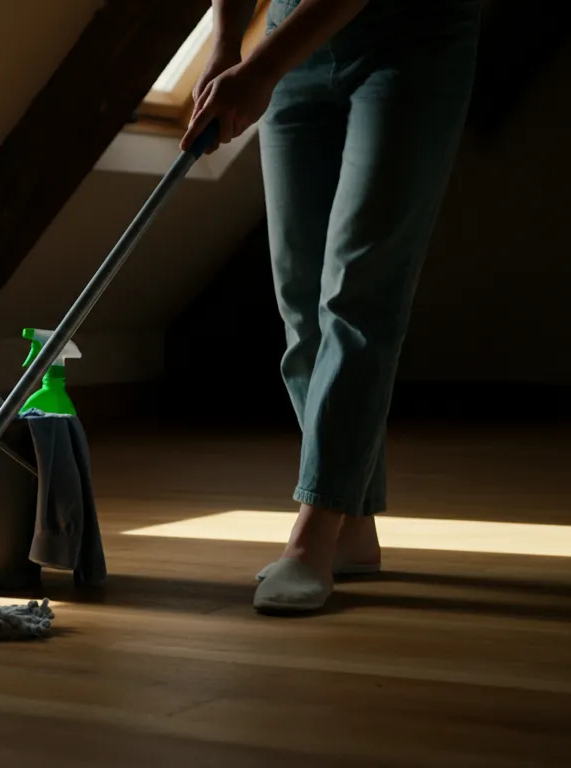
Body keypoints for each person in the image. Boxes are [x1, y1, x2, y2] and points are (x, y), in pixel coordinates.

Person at [181, 0, 483, 613]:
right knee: (300, 299)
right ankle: (354, 529)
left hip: (410, 40)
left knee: (358, 292)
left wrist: (259, 69)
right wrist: (223, 44)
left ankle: (312, 536)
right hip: (294, 48)